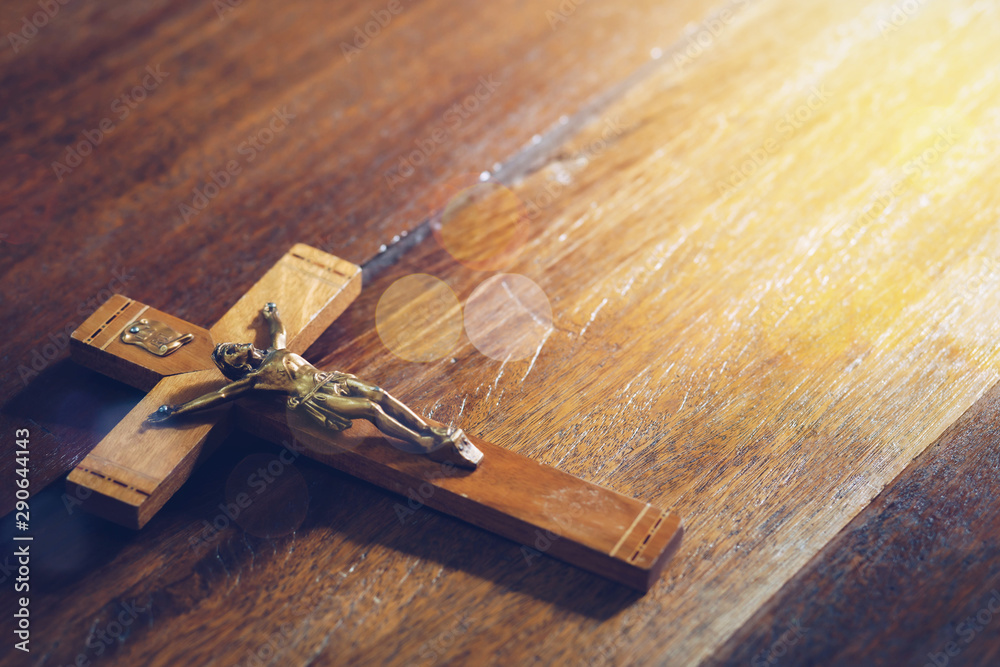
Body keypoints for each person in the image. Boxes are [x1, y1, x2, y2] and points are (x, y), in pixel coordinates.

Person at [147, 302, 482, 469]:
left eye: (229, 345)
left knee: (380, 394)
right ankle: (423, 445)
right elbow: (217, 395)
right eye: (227, 354)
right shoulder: (254, 381)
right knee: (369, 410)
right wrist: (177, 410)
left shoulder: (276, 352)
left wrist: (270, 313)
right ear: (233, 367)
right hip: (315, 398)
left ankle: (430, 431)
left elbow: (277, 329)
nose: (233, 348)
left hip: (332, 379)